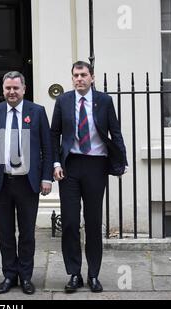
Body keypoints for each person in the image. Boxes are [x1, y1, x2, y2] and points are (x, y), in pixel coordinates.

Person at [50, 61, 128, 293]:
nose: (79, 79)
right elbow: (54, 134)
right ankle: (74, 274)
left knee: (93, 223)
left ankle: (93, 274)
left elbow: (115, 131)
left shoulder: (104, 101)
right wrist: (55, 163)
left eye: (83, 75)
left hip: (96, 166)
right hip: (71, 166)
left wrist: (121, 161)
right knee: (71, 223)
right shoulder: (63, 100)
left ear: (92, 77)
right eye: (75, 75)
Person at [0, 71, 52, 295]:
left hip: (28, 183)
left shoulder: (37, 112)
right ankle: (9, 275)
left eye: (16, 88)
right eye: (8, 88)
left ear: (24, 89)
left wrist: (46, 177)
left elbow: (47, 148)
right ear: (3, 90)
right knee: (5, 233)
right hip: (1, 182)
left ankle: (26, 276)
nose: (12, 92)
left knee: (27, 233)